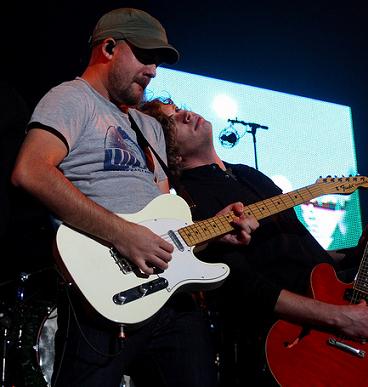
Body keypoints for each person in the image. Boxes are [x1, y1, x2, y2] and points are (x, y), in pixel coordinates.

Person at [10, 8, 258, 387]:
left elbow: (166, 223)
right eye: (145, 56)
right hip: (103, 296)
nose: (153, 70)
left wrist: (213, 232)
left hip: (172, 301)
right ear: (109, 47)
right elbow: (31, 171)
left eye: (157, 61)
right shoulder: (71, 98)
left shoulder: (148, 128)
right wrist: (122, 234)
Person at [140, 98, 368, 386]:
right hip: (289, 342)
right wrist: (338, 317)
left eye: (179, 109)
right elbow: (245, 288)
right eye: (173, 120)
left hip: (333, 326)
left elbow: (302, 253)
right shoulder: (188, 200)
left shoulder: (247, 173)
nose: (187, 114)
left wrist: (356, 252)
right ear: (168, 151)